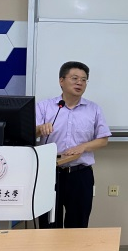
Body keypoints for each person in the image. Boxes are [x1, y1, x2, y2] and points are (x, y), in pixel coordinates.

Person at [35, 61, 111, 228]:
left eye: (84, 80)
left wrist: (83, 147)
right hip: (49, 174)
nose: (79, 83)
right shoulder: (44, 107)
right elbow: (28, 134)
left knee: (78, 226)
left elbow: (103, 139)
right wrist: (40, 129)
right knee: (48, 226)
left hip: (80, 175)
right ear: (61, 81)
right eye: (75, 78)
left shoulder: (94, 109)